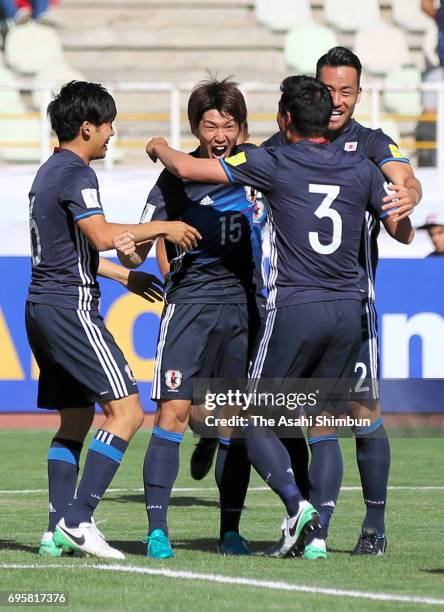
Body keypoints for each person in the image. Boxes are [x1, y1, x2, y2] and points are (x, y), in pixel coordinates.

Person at [146, 75, 414, 559]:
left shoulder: (272, 161)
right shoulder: (362, 168)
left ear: (283, 119)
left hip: (294, 306)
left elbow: (188, 166)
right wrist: (404, 199)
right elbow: (404, 231)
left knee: (248, 415)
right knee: (323, 419)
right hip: (349, 308)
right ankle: (322, 533)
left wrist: (159, 145)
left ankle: (300, 512)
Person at [25, 80, 200, 560]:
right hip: (70, 308)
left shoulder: (47, 173)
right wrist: (163, 225)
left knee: (76, 419)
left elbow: (71, 250)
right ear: (86, 127)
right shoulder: (77, 174)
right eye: (107, 126)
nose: (111, 135)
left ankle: (54, 527)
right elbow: (101, 235)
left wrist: (124, 275)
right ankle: (78, 519)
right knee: (128, 411)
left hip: (41, 305)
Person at [264, 46, 422, 557]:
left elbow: (404, 182)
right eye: (329, 89)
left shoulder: (371, 143)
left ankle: (374, 526)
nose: (337, 100)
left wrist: (408, 195)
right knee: (316, 417)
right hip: (301, 302)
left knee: (362, 411)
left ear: (360, 93)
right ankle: (319, 527)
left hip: (353, 303)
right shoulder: (284, 142)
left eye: (347, 90)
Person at [115, 78, 260, 559]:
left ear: (241, 127)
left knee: (234, 421)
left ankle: (231, 532)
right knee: (172, 413)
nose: (220, 133)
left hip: (244, 306)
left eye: (229, 124)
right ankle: (157, 530)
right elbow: (138, 243)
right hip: (189, 306)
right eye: (210, 124)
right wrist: (131, 255)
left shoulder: (255, 165)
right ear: (196, 127)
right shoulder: (173, 180)